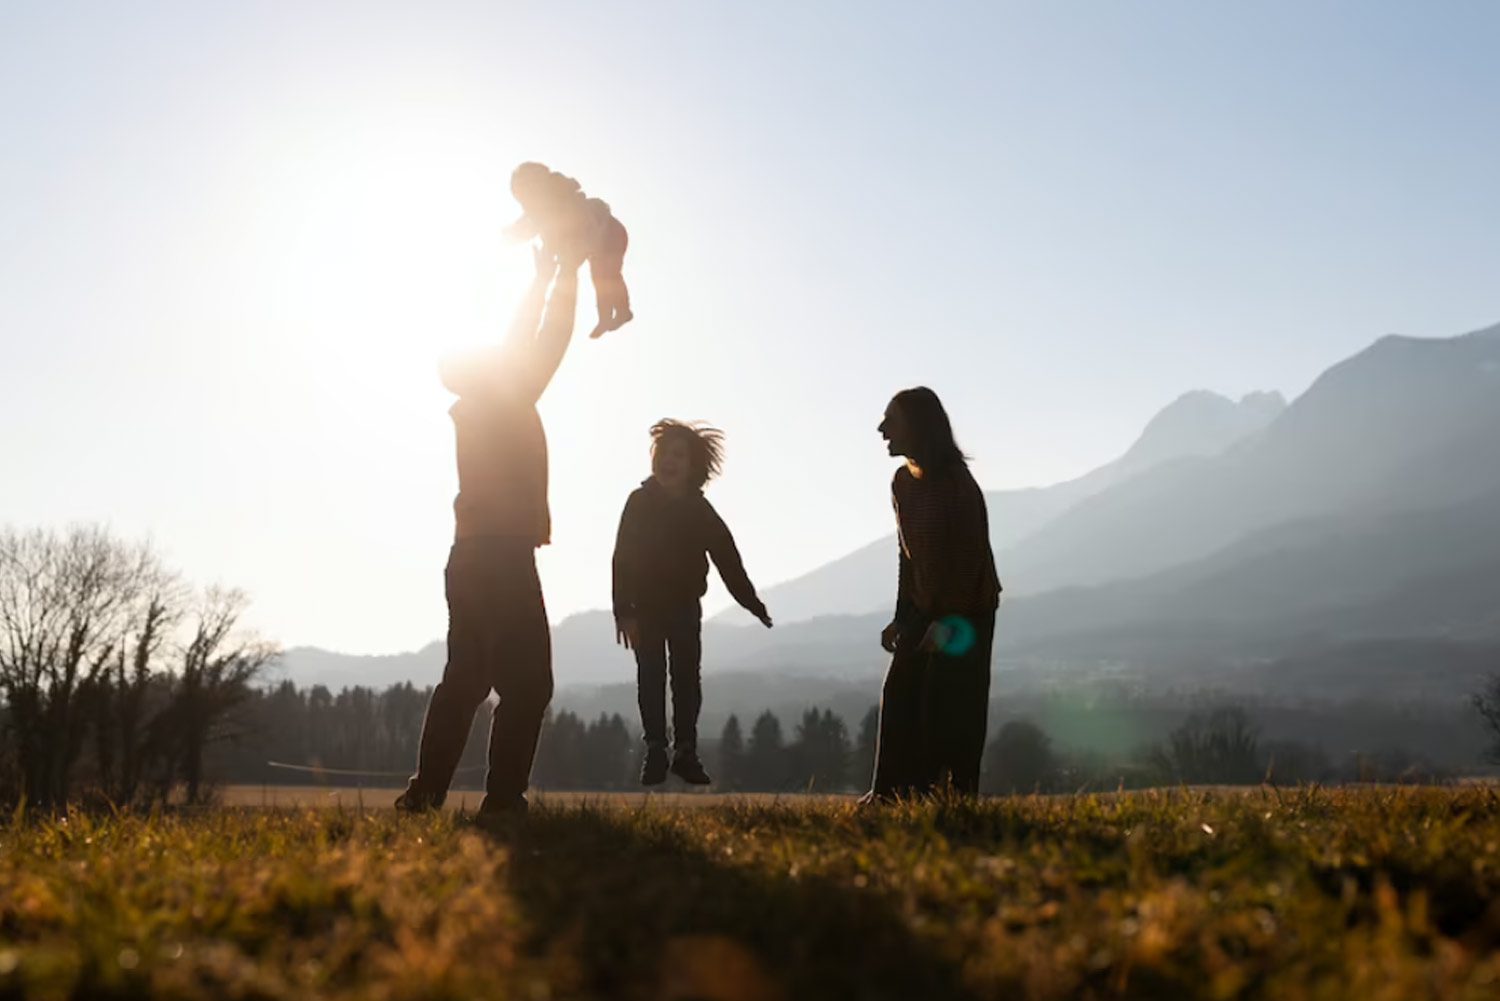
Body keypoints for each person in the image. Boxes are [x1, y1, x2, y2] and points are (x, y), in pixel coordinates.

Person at [396, 246, 582, 820]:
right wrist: (566, 274)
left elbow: (520, 335)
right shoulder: (506, 398)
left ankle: (423, 797)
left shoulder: (481, 402)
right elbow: (546, 337)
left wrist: (543, 275)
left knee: (466, 679)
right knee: (528, 685)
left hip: (470, 556)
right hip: (501, 557)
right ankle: (502, 803)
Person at [612, 420, 773, 785]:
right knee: (650, 676)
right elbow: (622, 557)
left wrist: (751, 602)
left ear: (693, 467)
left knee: (686, 678)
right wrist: (623, 611)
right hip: (645, 610)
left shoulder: (700, 511)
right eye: (664, 453)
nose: (669, 461)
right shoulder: (638, 502)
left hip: (685, 608)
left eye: (679, 456)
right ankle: (655, 748)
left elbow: (728, 559)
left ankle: (685, 750)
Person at [864, 387, 1001, 801]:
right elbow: (909, 555)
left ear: (918, 427)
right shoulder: (903, 483)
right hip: (925, 607)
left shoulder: (956, 486)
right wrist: (902, 617)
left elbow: (968, 560)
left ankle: (949, 797)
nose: (882, 428)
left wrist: (945, 625)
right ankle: (888, 794)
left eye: (892, 420)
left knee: (949, 702)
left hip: (967, 612)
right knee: (899, 690)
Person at [504, 161, 632, 340]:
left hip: (610, 232)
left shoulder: (560, 199)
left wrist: (560, 251)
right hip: (594, 241)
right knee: (602, 276)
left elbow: (569, 225)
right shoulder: (539, 212)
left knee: (605, 276)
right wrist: (504, 237)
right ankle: (610, 315)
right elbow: (527, 228)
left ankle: (620, 312)